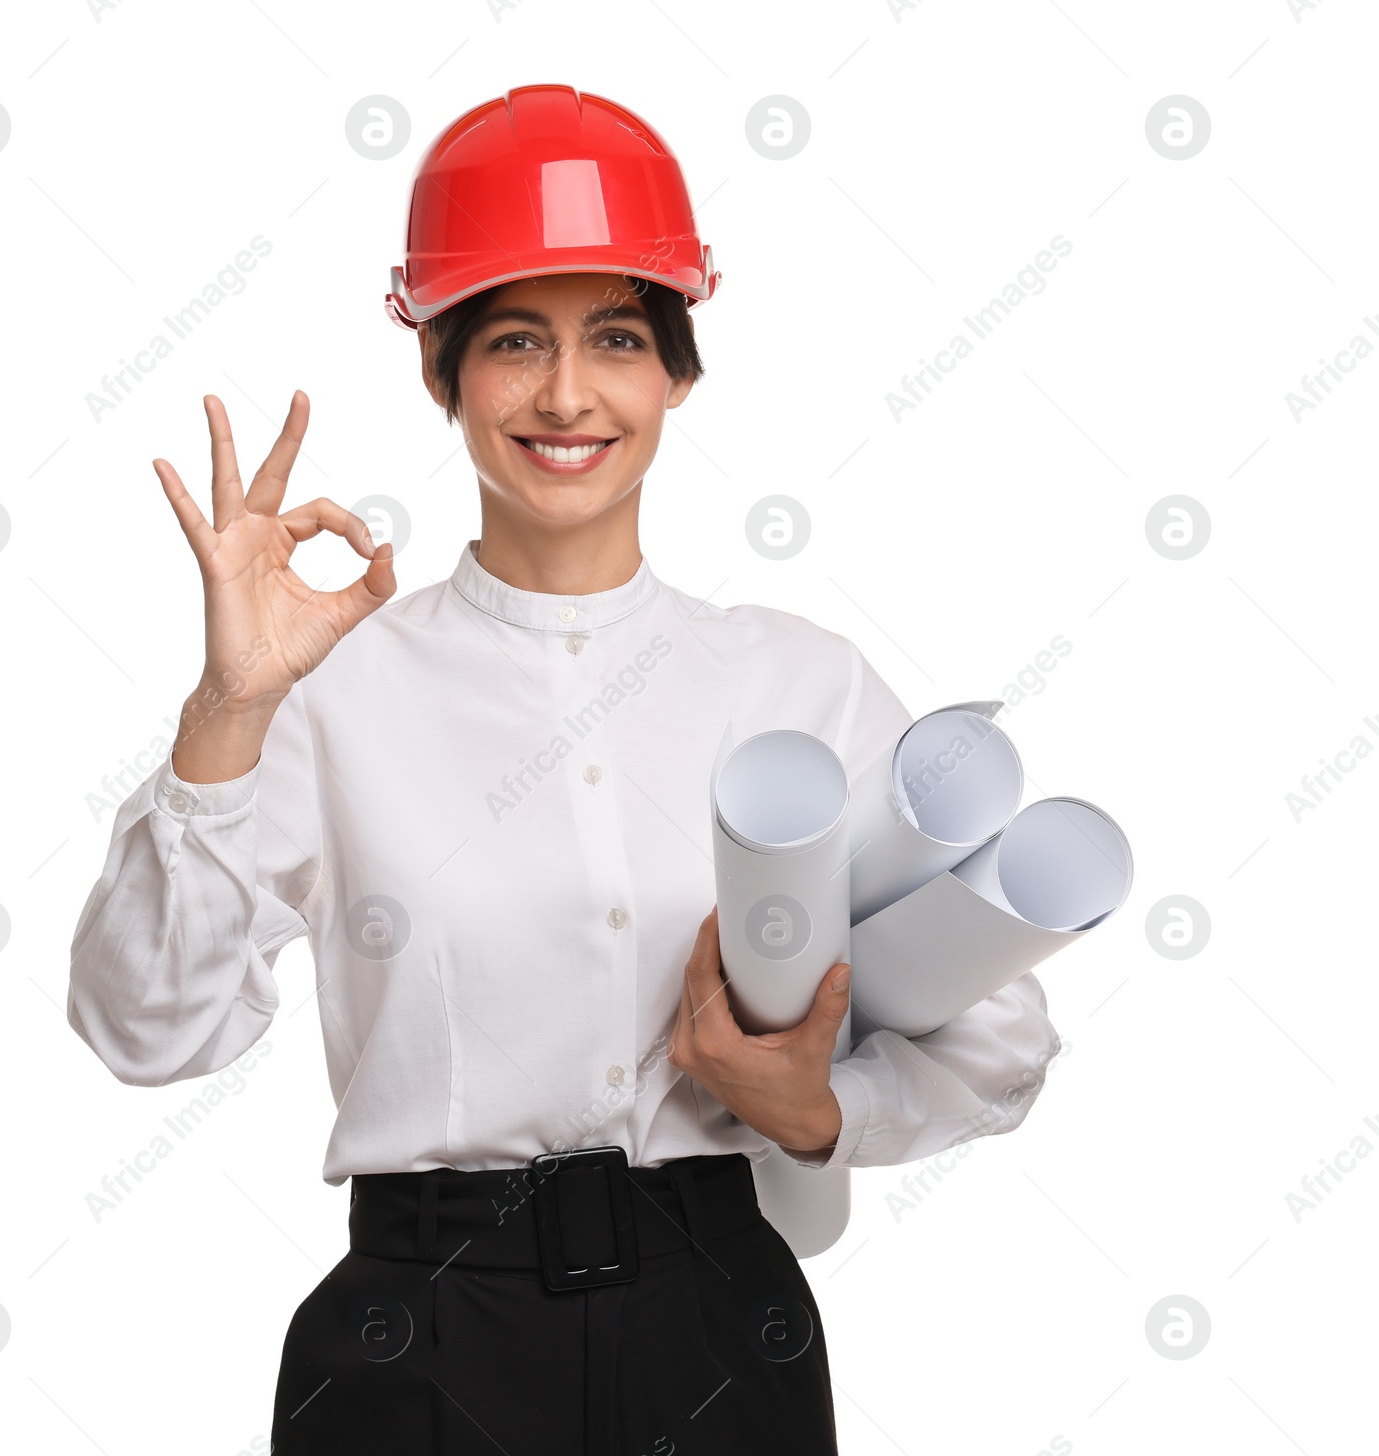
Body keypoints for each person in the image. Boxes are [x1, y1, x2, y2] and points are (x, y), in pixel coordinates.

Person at [66, 84, 1060, 1456]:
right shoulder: (330, 693)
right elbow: (146, 1030)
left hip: (720, 1329)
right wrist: (227, 710)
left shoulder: (797, 684)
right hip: (418, 1346)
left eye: (616, 338)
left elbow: (1003, 1036)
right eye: (516, 341)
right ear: (441, 372)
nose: (568, 393)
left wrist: (825, 1108)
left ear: (678, 373)